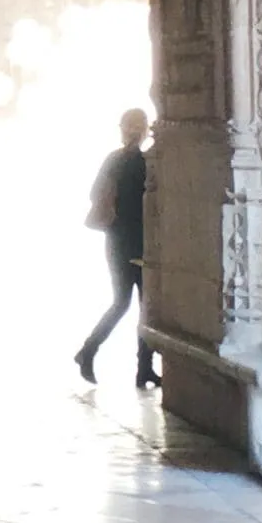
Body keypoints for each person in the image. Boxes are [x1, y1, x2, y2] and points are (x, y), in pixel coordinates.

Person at [75, 108, 160, 389]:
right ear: (145, 129)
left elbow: (93, 194)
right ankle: (141, 367)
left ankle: (91, 351)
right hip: (139, 242)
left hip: (115, 240)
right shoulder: (146, 162)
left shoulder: (114, 159)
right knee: (145, 306)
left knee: (122, 302)